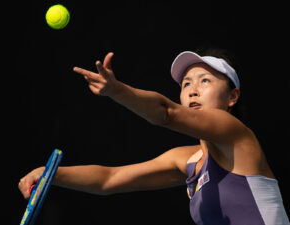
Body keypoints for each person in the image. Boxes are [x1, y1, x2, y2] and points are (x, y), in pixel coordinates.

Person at [18, 48, 290, 225]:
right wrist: (50, 173)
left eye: (205, 81)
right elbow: (109, 180)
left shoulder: (236, 134)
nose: (193, 90)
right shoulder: (186, 160)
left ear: (233, 96)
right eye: (186, 84)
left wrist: (117, 91)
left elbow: (166, 113)